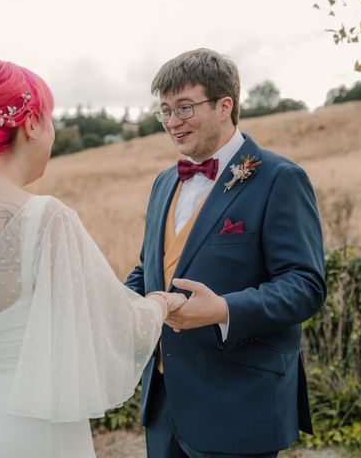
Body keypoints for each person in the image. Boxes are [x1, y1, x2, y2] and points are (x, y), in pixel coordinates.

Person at [0, 58, 186, 458]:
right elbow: (120, 328)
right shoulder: (43, 217)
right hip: (19, 431)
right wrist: (161, 303)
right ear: (32, 124)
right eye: (50, 118)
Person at [125, 48, 327, 458]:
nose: (172, 123)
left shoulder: (279, 178)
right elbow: (152, 268)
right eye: (164, 111)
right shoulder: (164, 182)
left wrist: (222, 310)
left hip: (240, 402)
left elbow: (305, 286)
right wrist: (114, 302)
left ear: (225, 105)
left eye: (184, 108)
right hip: (164, 403)